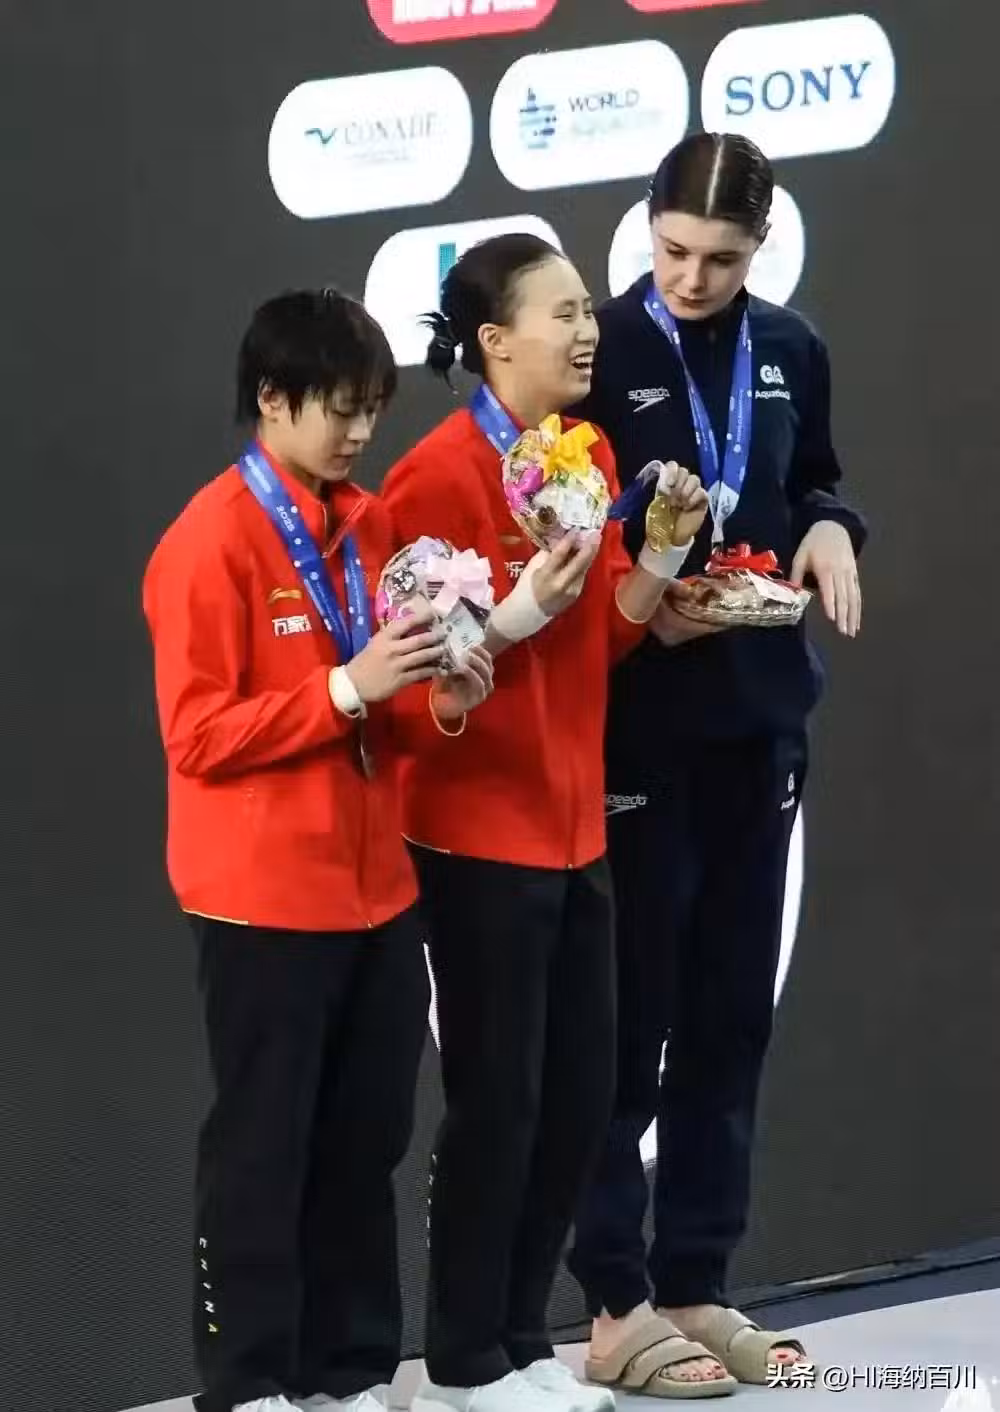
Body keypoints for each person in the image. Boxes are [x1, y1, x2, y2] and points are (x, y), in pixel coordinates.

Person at [142, 289, 493, 1412]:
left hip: (378, 886)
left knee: (366, 1138)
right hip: (261, 897)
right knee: (263, 1144)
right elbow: (197, 735)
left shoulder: (376, 528)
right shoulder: (207, 542)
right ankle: (246, 1381)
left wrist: (442, 700)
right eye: (338, 409)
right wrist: (343, 686)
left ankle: (345, 1374)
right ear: (272, 399)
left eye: (372, 409)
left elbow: (393, 706)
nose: (357, 433)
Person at [379, 235, 710, 1412]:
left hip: (577, 827)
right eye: (562, 313)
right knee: (498, 1099)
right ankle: (463, 1357)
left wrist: (658, 550)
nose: (587, 332)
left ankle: (522, 1339)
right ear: (493, 341)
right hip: (477, 834)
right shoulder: (430, 481)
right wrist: (510, 615)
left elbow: (608, 631)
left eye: (586, 311)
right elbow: (415, 684)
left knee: (578, 1095)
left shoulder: (586, 452)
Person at [565, 133, 867, 1396]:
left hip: (760, 719)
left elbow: (814, 481)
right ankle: (614, 1299)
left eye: (721, 259)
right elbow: (558, 537)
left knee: (731, 1017)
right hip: (639, 730)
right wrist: (645, 607)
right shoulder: (595, 352)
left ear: (761, 247)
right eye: (673, 250)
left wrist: (833, 529)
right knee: (628, 1022)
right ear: (646, 227)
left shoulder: (791, 348)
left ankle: (695, 1277)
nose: (691, 279)